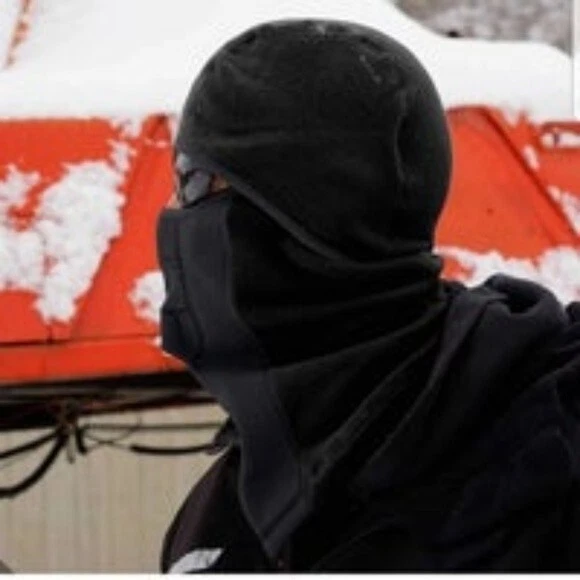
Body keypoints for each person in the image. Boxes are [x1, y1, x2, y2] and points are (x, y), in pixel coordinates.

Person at [156, 19, 580, 572]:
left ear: (300, 216)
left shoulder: (551, 459)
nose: (173, 212)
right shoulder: (218, 523)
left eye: (190, 181)